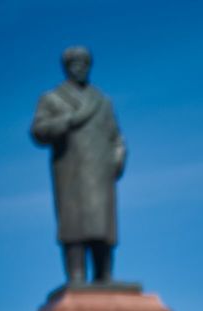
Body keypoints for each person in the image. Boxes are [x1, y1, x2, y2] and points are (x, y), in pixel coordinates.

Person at [31, 45, 127, 284]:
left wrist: (117, 158)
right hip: (71, 174)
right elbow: (39, 131)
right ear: (66, 68)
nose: (79, 69)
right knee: (74, 226)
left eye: (84, 64)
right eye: (74, 64)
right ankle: (76, 276)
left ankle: (104, 275)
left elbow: (116, 137)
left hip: (101, 173)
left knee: (103, 226)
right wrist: (68, 121)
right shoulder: (53, 99)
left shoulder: (103, 102)